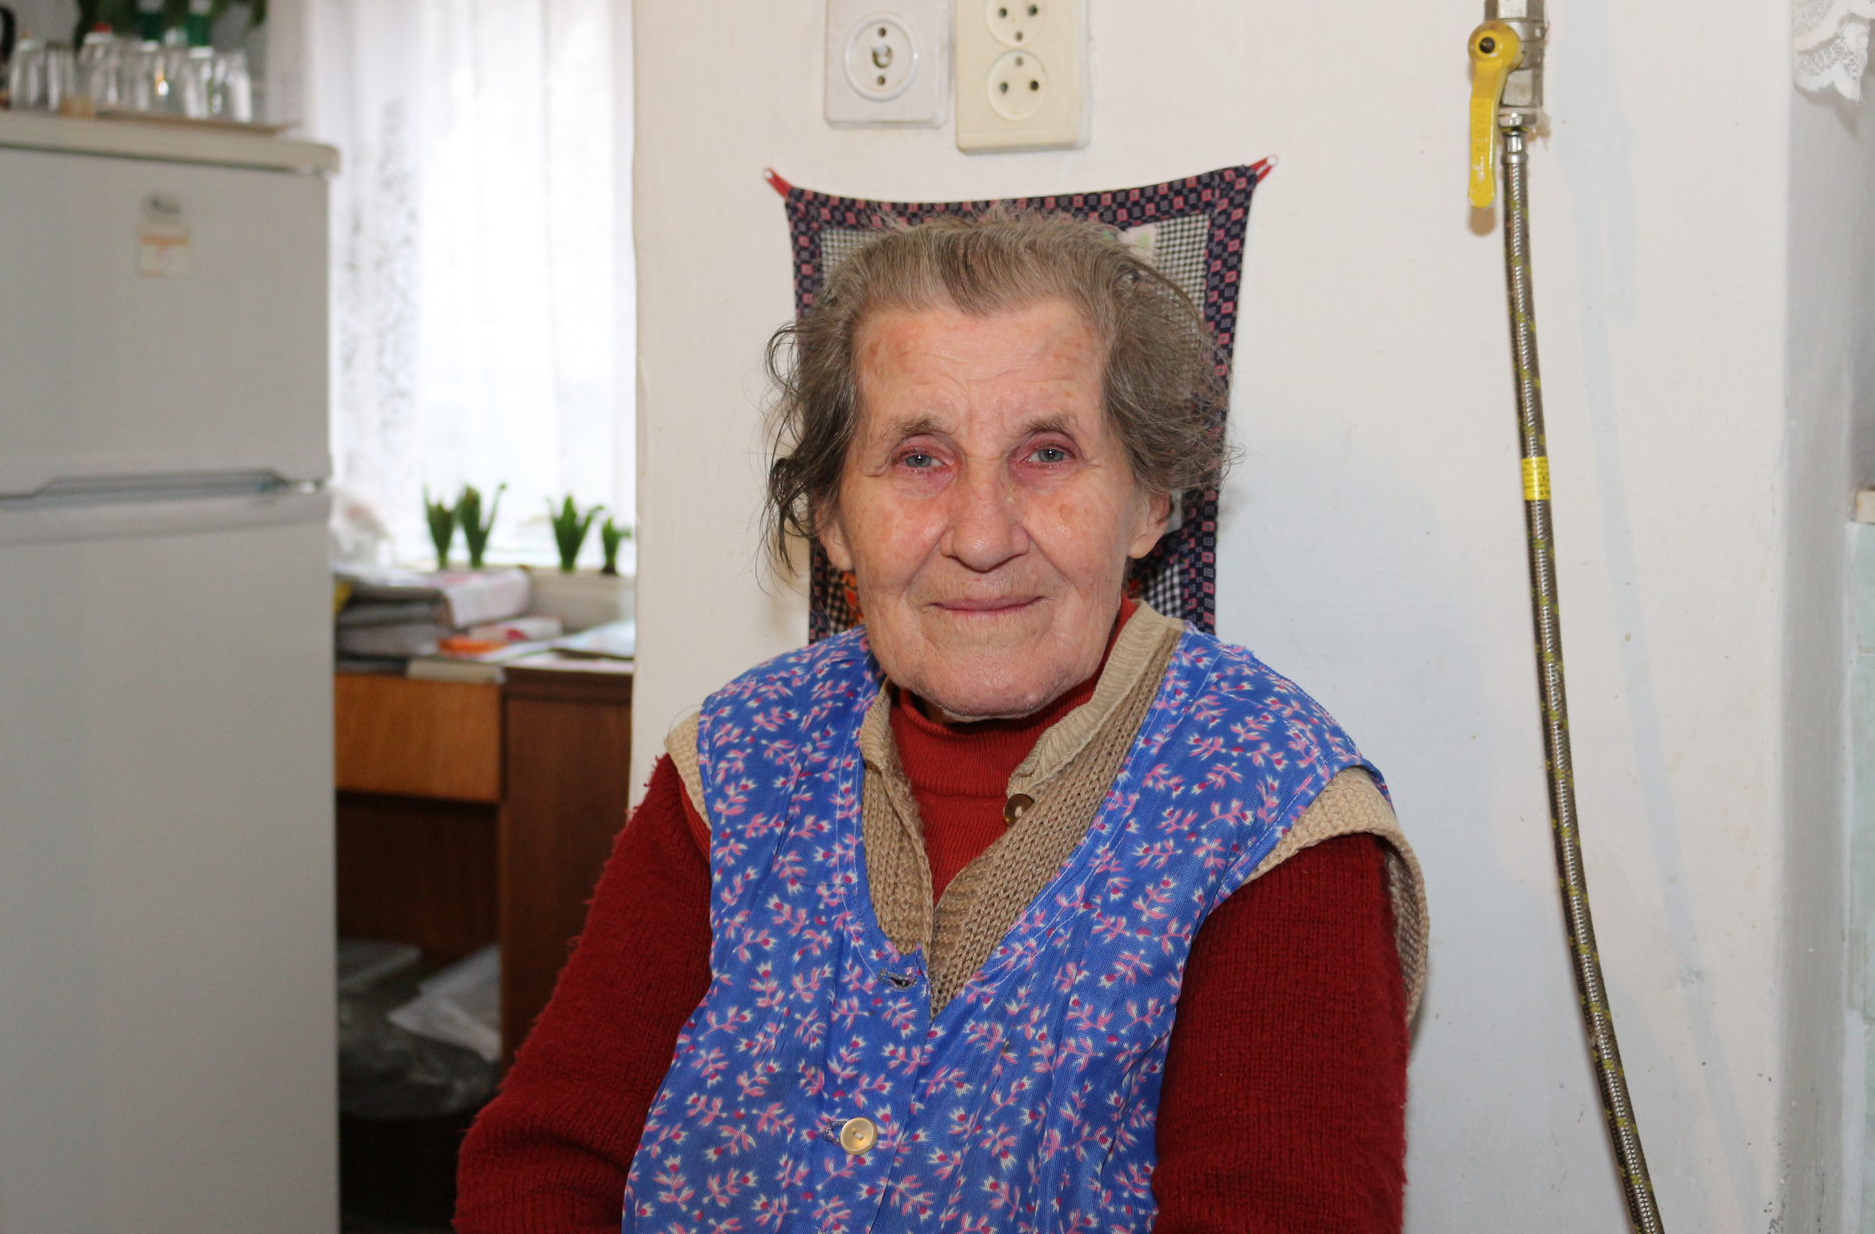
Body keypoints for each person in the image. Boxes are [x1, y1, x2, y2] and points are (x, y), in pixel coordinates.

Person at [455, 216, 1428, 1233]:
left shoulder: (1270, 810)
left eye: (1046, 452)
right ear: (834, 517)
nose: (981, 534)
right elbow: (550, 1160)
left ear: (1149, 501)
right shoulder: (738, 763)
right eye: (920, 458)